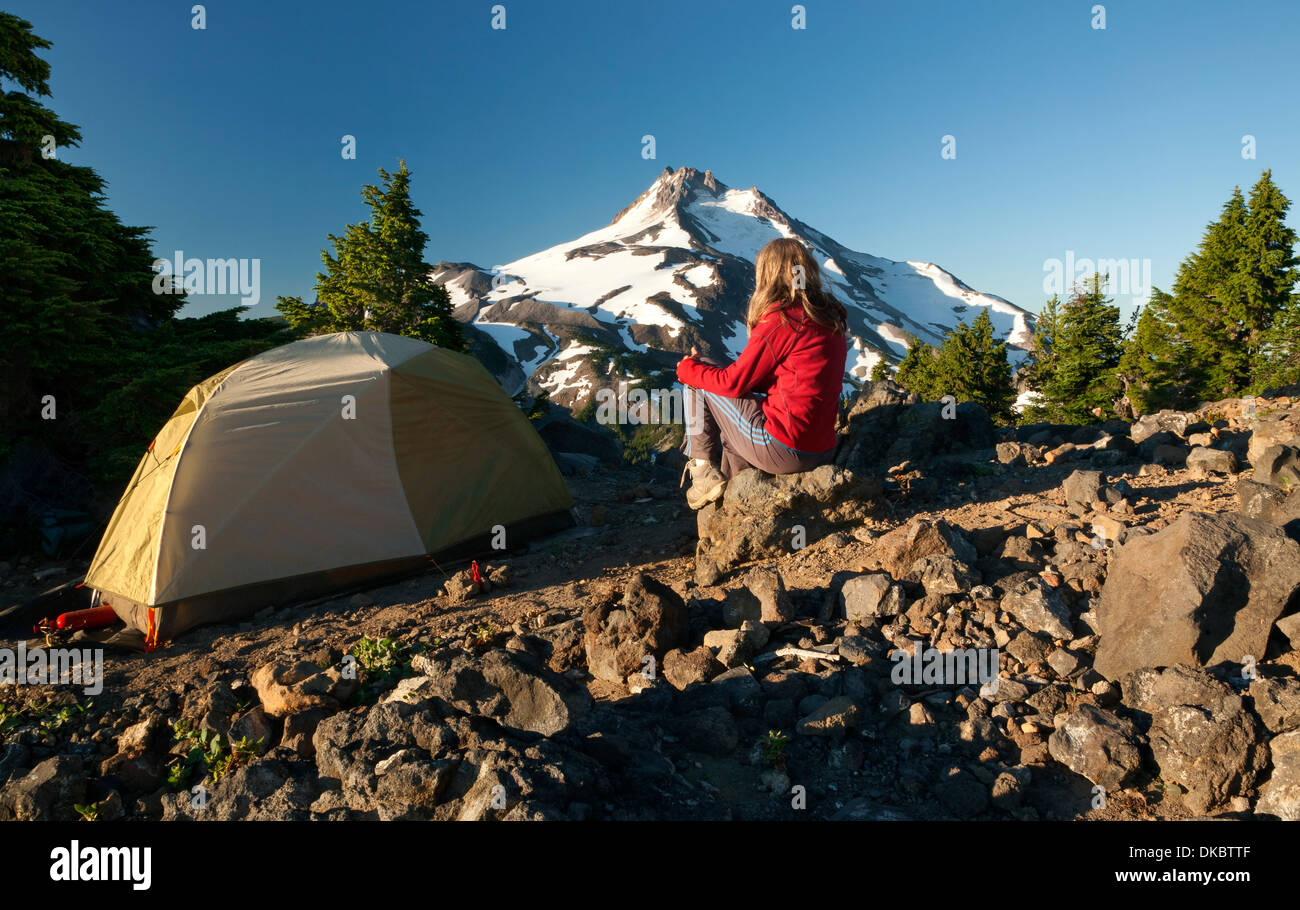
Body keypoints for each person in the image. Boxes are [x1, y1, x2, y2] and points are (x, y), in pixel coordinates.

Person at [677, 237, 849, 509]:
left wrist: (688, 369)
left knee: (697, 380)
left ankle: (701, 473)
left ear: (767, 274)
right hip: (823, 448)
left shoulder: (783, 318)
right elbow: (790, 376)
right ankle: (734, 501)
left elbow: (732, 384)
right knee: (730, 430)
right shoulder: (828, 319)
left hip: (785, 448)